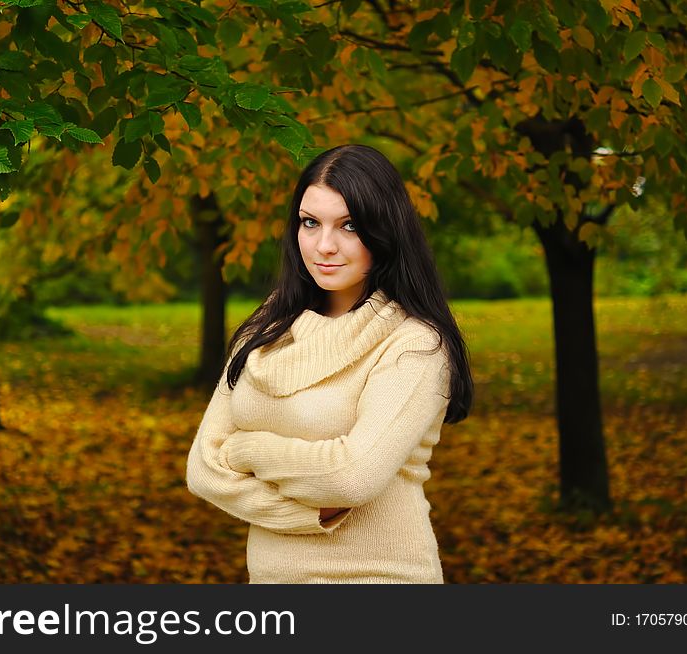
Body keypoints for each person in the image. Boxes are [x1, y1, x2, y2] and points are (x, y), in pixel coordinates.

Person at [185, 144, 473, 583]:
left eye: (349, 226)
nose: (324, 245)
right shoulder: (265, 329)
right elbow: (204, 472)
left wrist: (245, 451)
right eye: (310, 222)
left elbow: (351, 478)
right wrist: (313, 513)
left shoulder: (414, 344)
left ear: (384, 231)